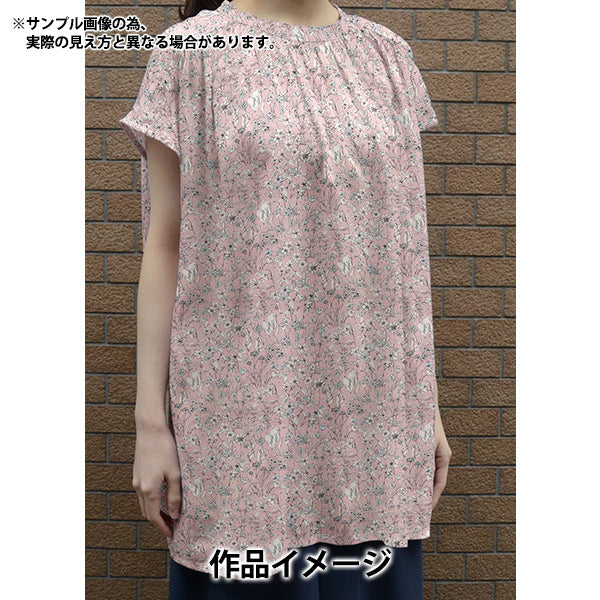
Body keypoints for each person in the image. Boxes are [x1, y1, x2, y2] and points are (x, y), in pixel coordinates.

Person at [119, 1, 452, 598]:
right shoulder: (191, 55)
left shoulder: (387, 56)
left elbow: (401, 248)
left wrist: (425, 407)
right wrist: (151, 422)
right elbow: (165, 243)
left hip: (373, 423)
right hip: (242, 421)